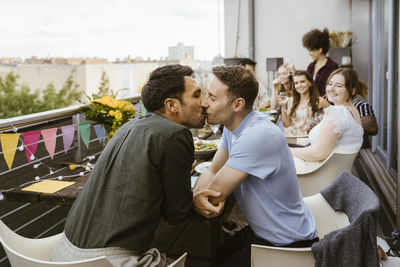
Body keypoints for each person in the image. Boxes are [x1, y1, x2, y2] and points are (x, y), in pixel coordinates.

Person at [51, 65, 223, 267]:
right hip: (107, 260)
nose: (203, 104)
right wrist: (192, 200)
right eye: (196, 95)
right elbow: (177, 214)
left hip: (61, 253)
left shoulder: (129, 126)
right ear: (172, 105)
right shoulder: (175, 134)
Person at [194, 65, 318, 267]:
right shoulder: (233, 127)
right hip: (265, 231)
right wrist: (196, 197)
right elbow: (213, 170)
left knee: (211, 260)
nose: (204, 103)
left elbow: (213, 195)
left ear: (237, 104)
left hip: (287, 244)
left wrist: (196, 197)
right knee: (217, 255)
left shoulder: (256, 136)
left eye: (213, 98)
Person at [290, 68, 364, 168]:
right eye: (330, 84)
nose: (331, 89)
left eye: (338, 86)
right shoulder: (352, 110)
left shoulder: (337, 112)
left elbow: (318, 153)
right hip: (331, 168)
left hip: (318, 171)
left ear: (352, 90)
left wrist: (287, 150)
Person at [279, 70, 330, 136]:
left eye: (302, 82)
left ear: (310, 83)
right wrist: (282, 106)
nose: (299, 85)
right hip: (294, 138)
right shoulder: (291, 100)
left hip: (311, 140)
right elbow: (287, 124)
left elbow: (335, 117)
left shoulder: (319, 101)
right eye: (296, 83)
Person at [303, 28, 339, 96]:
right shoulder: (311, 66)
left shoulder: (333, 67)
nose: (309, 53)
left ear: (320, 50)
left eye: (311, 50)